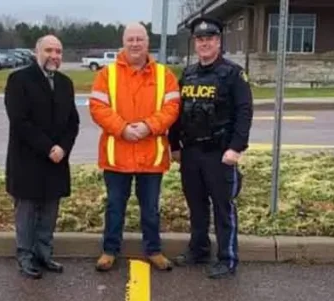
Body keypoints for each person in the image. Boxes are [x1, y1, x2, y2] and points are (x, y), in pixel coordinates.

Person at [89, 23, 181, 272]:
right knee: (114, 206)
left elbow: (171, 109)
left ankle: (154, 250)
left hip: (151, 155)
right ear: (123, 42)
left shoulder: (165, 75)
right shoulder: (107, 75)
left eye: (139, 39)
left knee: (150, 208)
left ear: (147, 42)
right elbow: (98, 108)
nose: (135, 44)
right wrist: (123, 129)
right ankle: (109, 251)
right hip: (117, 154)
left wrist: (148, 126)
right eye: (130, 39)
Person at [168, 16, 252, 279]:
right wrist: (174, 145)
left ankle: (227, 258)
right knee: (196, 205)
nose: (205, 43)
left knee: (223, 207)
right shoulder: (189, 74)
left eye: (210, 39)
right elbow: (178, 112)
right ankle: (199, 249)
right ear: (195, 43)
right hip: (191, 152)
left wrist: (236, 148)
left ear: (218, 41)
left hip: (220, 153)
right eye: (200, 39)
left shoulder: (233, 74)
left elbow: (244, 112)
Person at [3, 35, 80, 279]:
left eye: (58, 51)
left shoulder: (66, 83)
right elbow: (19, 121)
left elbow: (73, 122)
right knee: (26, 211)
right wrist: (48, 148)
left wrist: (63, 148)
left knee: (49, 210)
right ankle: (25, 256)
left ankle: (44, 254)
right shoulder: (19, 80)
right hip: (28, 160)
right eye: (49, 50)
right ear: (37, 52)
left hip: (57, 160)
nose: (54, 56)